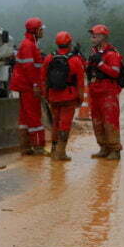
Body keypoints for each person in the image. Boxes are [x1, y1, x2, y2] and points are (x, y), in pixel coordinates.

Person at [42, 31, 86, 161]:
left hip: (53, 97)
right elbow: (80, 82)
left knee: (55, 123)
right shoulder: (75, 60)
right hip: (68, 97)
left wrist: (46, 95)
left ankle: (54, 150)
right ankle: (61, 152)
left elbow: (43, 78)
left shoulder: (49, 58)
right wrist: (80, 98)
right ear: (70, 43)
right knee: (65, 124)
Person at [85, 24, 124, 160]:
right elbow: (89, 71)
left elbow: (115, 72)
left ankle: (115, 149)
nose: (92, 38)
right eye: (92, 35)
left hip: (108, 92)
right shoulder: (94, 52)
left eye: (95, 35)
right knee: (97, 122)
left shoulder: (112, 53)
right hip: (95, 91)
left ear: (103, 36)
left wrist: (100, 64)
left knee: (110, 121)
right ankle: (103, 147)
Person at [9, 17, 46, 155]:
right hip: (29, 87)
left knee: (25, 117)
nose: (43, 31)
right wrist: (36, 85)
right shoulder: (29, 45)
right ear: (35, 30)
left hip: (25, 86)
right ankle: (38, 146)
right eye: (41, 29)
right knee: (34, 116)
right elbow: (30, 68)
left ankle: (25, 147)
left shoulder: (29, 44)